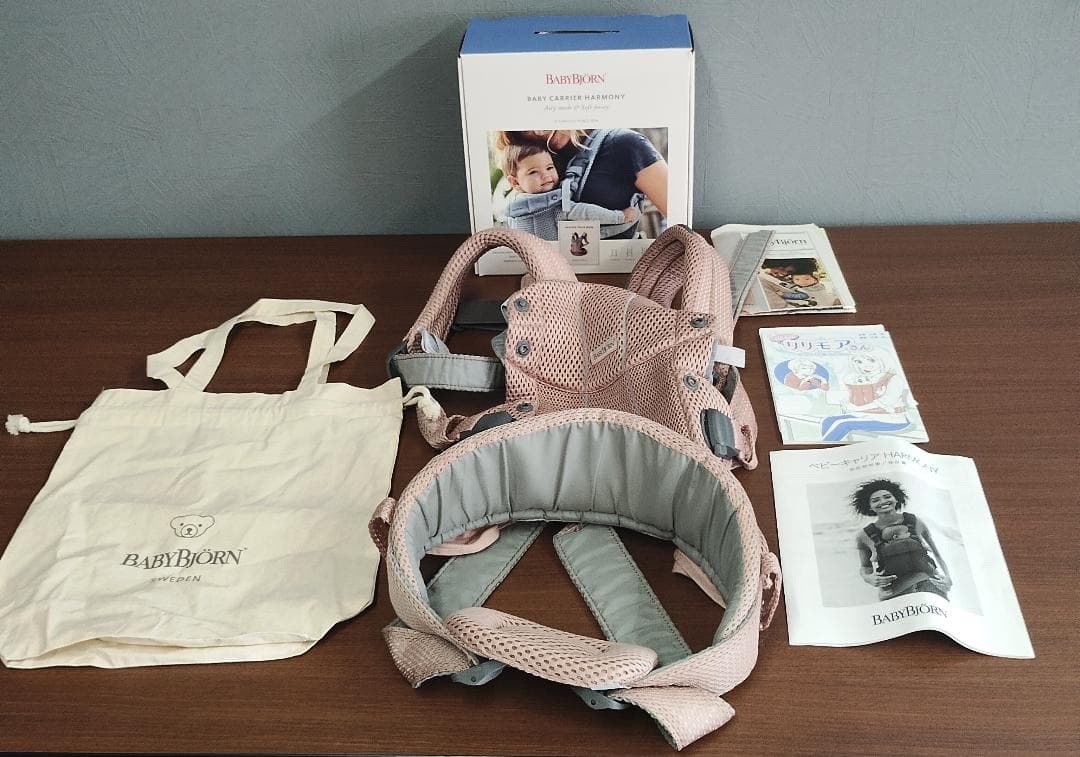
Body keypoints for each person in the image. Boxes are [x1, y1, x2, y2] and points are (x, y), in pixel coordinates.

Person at [494, 129, 669, 239]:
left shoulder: (625, 144)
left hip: (616, 275)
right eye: (527, 128)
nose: (539, 131)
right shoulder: (528, 161)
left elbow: (677, 215)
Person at [500, 142, 636, 232]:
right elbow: (585, 212)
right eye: (533, 172)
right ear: (514, 182)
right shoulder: (554, 204)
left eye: (549, 168)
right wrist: (619, 217)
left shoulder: (511, 209)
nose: (546, 175)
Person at [852, 479, 951, 599]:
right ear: (869, 506)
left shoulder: (916, 522)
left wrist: (947, 578)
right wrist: (869, 578)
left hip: (931, 586)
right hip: (893, 594)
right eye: (875, 500)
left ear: (896, 499)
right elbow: (865, 567)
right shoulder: (864, 535)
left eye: (887, 497)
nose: (883, 501)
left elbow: (937, 554)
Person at [819, 350, 913, 442]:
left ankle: (827, 449)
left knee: (842, 424)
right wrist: (848, 402)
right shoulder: (863, 378)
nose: (865, 365)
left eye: (871, 360)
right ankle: (827, 445)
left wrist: (857, 408)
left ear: (881, 359)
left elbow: (887, 401)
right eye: (859, 362)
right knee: (827, 420)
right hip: (868, 415)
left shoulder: (894, 379)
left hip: (892, 418)